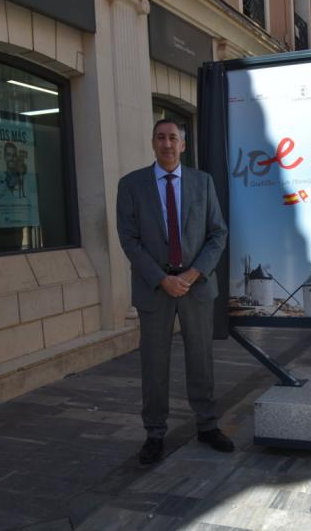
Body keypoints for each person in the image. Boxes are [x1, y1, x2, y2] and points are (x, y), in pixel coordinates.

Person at [116, 120, 232, 465]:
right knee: (154, 363)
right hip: (155, 288)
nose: (167, 144)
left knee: (201, 359)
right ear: (153, 143)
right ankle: (154, 434)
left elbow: (218, 234)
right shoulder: (131, 185)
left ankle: (207, 425)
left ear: (183, 145)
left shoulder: (202, 182)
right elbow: (129, 239)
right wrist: (161, 278)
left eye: (173, 138)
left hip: (196, 287)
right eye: (161, 138)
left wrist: (193, 274)